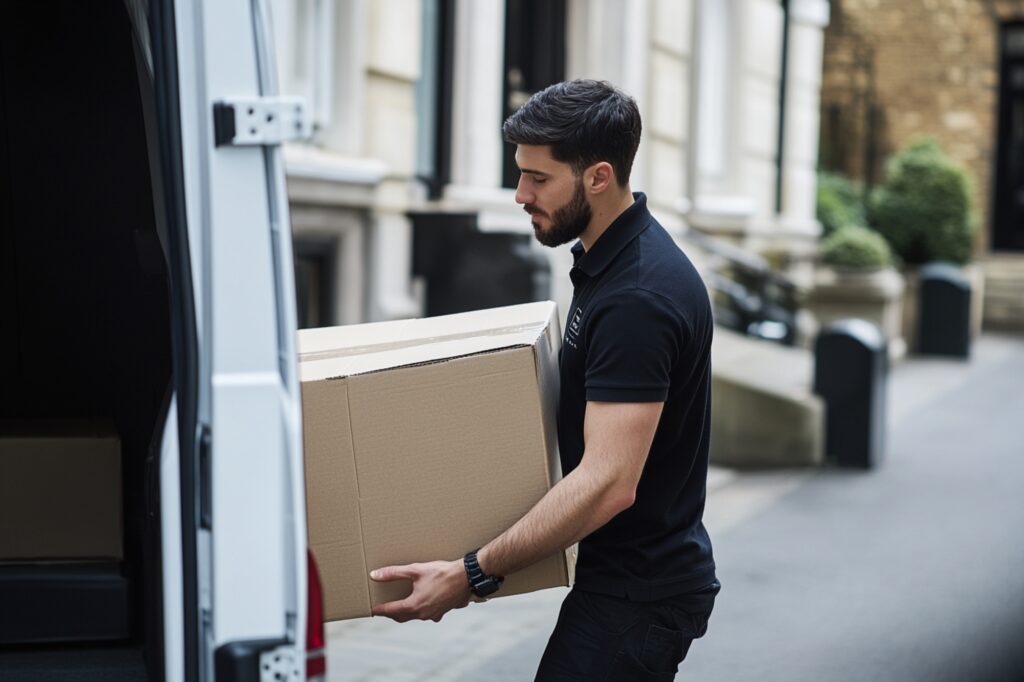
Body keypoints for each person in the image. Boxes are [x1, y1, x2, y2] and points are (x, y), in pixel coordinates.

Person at [370, 79, 719, 680]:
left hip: (640, 595)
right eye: (520, 174)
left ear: (598, 177)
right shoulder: (609, 262)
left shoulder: (638, 295)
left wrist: (470, 573)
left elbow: (609, 483)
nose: (519, 194)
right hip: (623, 584)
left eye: (538, 178)